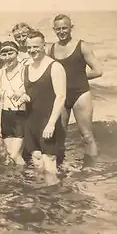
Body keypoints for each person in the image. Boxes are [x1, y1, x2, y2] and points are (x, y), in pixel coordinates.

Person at [46, 14, 103, 168]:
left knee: (87, 136)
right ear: (54, 30)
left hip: (80, 94)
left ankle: (91, 170)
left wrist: (77, 77)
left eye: (65, 28)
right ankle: (61, 167)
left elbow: (98, 71)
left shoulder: (82, 46)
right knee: (60, 136)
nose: (61, 31)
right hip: (60, 96)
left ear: (71, 27)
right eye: (58, 29)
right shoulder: (50, 49)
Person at [23, 30, 67, 186]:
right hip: (31, 122)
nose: (32, 50)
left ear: (44, 45)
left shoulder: (55, 67)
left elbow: (61, 97)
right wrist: (22, 95)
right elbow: (28, 91)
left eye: (36, 46)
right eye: (29, 47)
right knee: (37, 163)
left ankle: (55, 200)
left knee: (49, 165)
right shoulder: (27, 67)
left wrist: (51, 123)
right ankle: (42, 201)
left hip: (48, 122)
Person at [0, 41, 29, 166]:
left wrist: (23, 94)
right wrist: (0, 124)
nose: (7, 57)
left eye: (10, 53)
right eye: (4, 54)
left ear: (17, 53)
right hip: (6, 115)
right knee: (10, 154)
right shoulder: (2, 72)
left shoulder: (24, 70)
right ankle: (19, 180)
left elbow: (32, 91)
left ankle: (26, 178)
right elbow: (2, 99)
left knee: (15, 155)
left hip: (20, 115)